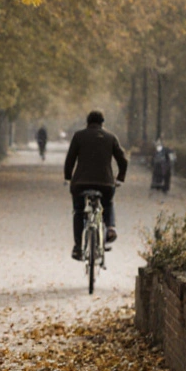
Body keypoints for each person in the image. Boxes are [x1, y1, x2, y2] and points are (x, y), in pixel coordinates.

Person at [63, 109, 128, 261]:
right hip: (105, 183)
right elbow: (123, 160)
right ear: (102, 123)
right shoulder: (110, 137)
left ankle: (79, 247)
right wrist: (119, 178)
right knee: (108, 203)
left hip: (80, 183)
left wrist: (68, 177)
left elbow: (70, 159)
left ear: (87, 122)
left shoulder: (79, 136)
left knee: (79, 211)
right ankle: (110, 227)